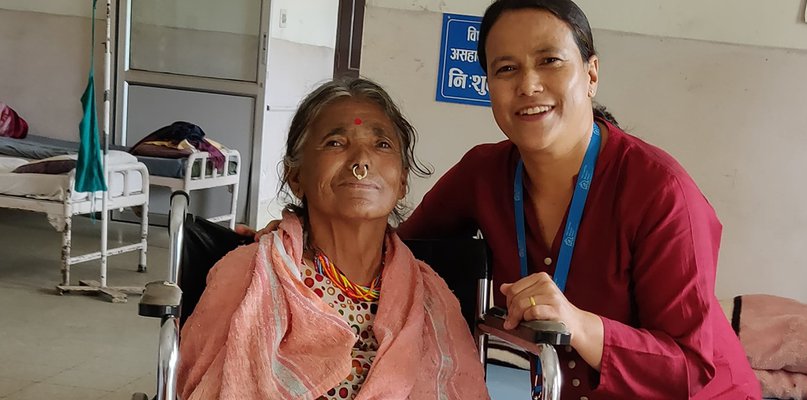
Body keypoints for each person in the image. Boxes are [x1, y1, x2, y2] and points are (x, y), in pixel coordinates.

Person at [250, 1, 762, 398]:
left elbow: (692, 370)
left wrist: (581, 324)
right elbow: (395, 254)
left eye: (549, 61)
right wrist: (297, 241)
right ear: (489, 85)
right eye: (507, 69)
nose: (529, 85)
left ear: (591, 73)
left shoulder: (660, 192)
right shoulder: (484, 172)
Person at [177, 78, 489, 400]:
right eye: (336, 143)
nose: (361, 163)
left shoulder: (430, 298)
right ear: (295, 177)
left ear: (403, 182)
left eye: (382, 145)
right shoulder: (246, 277)